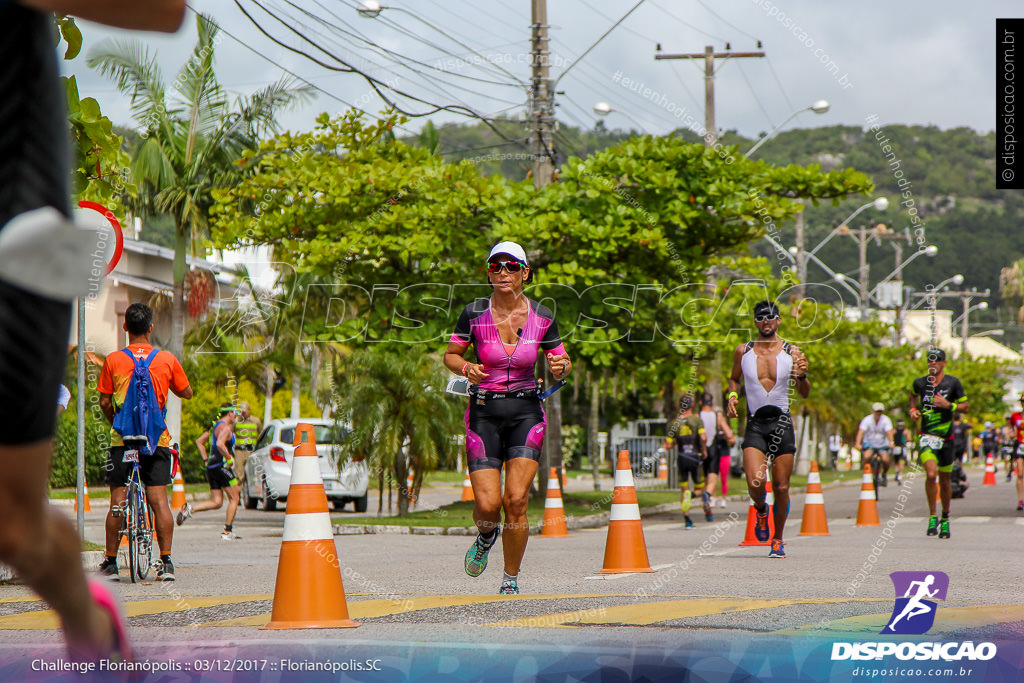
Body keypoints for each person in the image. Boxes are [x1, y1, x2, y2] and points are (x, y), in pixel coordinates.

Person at [0, 1, 184, 661]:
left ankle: (92, 612)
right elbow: (179, 391)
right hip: (152, 439)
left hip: (14, 225)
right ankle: (160, 560)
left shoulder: (119, 364)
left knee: (12, 523)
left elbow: (168, 12)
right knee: (152, 496)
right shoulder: (159, 360)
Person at [443, 241, 570, 595]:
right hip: (484, 412)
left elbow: (561, 362)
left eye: (511, 266)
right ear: (488, 272)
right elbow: (451, 355)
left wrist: (562, 365)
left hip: (526, 413)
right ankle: (486, 535)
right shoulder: (473, 313)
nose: (503, 273)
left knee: (516, 500)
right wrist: (467, 367)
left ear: (525, 273)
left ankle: (510, 579)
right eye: (495, 266)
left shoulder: (543, 316)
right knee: (487, 505)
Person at [98, 303, 192, 583]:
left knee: (117, 500)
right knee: (159, 500)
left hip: (123, 440)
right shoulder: (166, 360)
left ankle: (111, 564)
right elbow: (187, 392)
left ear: (125, 327)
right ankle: (166, 562)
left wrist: (115, 419)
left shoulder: (113, 360)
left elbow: (104, 400)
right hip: (156, 440)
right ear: (151, 328)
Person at [727, 301, 809, 559]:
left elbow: (805, 393)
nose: (766, 321)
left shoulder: (792, 352)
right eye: (761, 318)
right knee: (756, 481)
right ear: (755, 322)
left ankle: (778, 539)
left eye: (770, 317)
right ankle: (761, 510)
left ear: (779, 320)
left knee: (782, 487)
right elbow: (734, 379)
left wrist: (803, 376)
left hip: (782, 423)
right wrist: (731, 395)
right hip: (755, 424)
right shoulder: (744, 351)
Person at [909, 348, 968, 539]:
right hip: (927, 437)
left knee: (945, 480)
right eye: (930, 360)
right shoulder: (920, 383)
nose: (932, 363)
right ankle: (932, 515)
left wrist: (948, 405)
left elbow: (965, 406)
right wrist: (913, 410)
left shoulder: (953, 383)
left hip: (947, 440)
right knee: (931, 473)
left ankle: (945, 517)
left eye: (936, 360)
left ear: (944, 363)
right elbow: (912, 395)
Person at [177, 403, 242, 540]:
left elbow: (199, 441)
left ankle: (189, 509)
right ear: (229, 413)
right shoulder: (225, 428)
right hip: (222, 467)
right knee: (235, 498)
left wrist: (206, 460)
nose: (236, 416)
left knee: (217, 502)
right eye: (235, 412)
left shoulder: (214, 426)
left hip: (211, 467)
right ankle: (227, 531)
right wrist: (229, 458)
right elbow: (219, 444)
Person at [664, 393, 709, 528]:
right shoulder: (696, 420)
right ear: (692, 405)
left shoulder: (674, 423)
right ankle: (693, 494)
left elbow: (668, 444)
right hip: (695, 456)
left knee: (684, 489)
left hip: (682, 458)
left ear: (679, 406)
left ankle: (688, 520)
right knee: (701, 488)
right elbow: (703, 438)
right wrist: (704, 450)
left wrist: (674, 443)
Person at [698, 392, 735, 511]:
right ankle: (708, 494)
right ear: (712, 403)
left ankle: (707, 506)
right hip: (713, 449)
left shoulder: (697, 416)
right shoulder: (717, 416)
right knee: (713, 476)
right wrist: (727, 437)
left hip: (700, 450)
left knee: (704, 477)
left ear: (700, 403)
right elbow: (729, 434)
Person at [855, 403, 895, 488]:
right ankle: (866, 474)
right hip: (869, 444)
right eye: (877, 411)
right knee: (866, 457)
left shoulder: (886, 420)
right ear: (873, 411)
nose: (878, 413)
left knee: (885, 460)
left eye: (880, 411)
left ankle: (884, 474)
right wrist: (858, 443)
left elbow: (889, 432)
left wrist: (891, 442)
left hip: (882, 444)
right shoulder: (867, 420)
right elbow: (861, 432)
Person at [232, 401, 261, 488]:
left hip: (251, 451)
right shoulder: (236, 422)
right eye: (241, 412)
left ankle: (251, 497)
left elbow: (261, 434)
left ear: (249, 410)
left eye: (244, 412)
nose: (243, 413)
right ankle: (237, 499)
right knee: (239, 475)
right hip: (239, 451)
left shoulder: (256, 421)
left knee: (252, 474)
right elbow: (230, 433)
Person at [1010, 396, 1024, 511]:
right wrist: (1011, 433)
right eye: (1022, 401)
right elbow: (1011, 428)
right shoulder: (1015, 416)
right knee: (1020, 473)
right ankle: (1020, 500)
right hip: (1020, 445)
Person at [892, 419, 910, 485]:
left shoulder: (893, 431)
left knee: (896, 462)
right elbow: (909, 438)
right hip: (902, 448)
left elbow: (890, 438)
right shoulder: (905, 431)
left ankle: (896, 472)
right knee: (901, 462)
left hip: (895, 448)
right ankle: (899, 477)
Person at [1000, 414, 1017, 481]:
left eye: (1009, 419)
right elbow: (1000, 436)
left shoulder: (1014, 428)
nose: (1008, 421)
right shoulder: (1003, 428)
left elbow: (1016, 435)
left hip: (1012, 445)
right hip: (1005, 445)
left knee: (1012, 461)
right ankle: (1007, 475)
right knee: (1006, 460)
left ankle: (1010, 472)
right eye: (1007, 419)